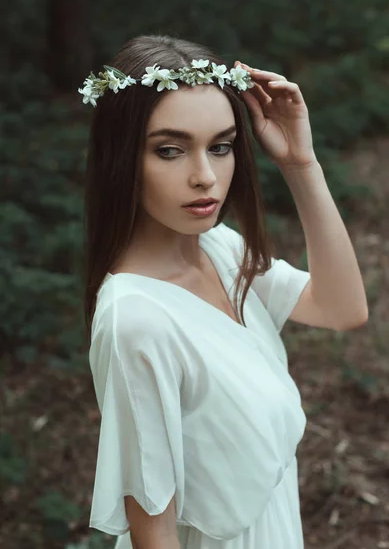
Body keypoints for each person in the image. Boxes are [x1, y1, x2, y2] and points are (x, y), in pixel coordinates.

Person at [81, 34, 368, 549]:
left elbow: (342, 308)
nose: (205, 176)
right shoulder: (137, 320)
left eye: (221, 146)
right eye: (170, 150)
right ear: (122, 158)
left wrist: (301, 165)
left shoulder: (219, 248)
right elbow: (156, 531)